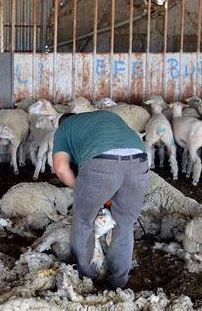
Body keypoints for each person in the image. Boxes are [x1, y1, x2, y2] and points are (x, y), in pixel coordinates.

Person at [51, 110, 149, 288]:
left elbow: (60, 169)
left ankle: (85, 277)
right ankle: (118, 283)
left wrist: (80, 188)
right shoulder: (107, 116)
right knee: (125, 224)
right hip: (140, 161)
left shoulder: (63, 128)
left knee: (83, 220)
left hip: (101, 162)